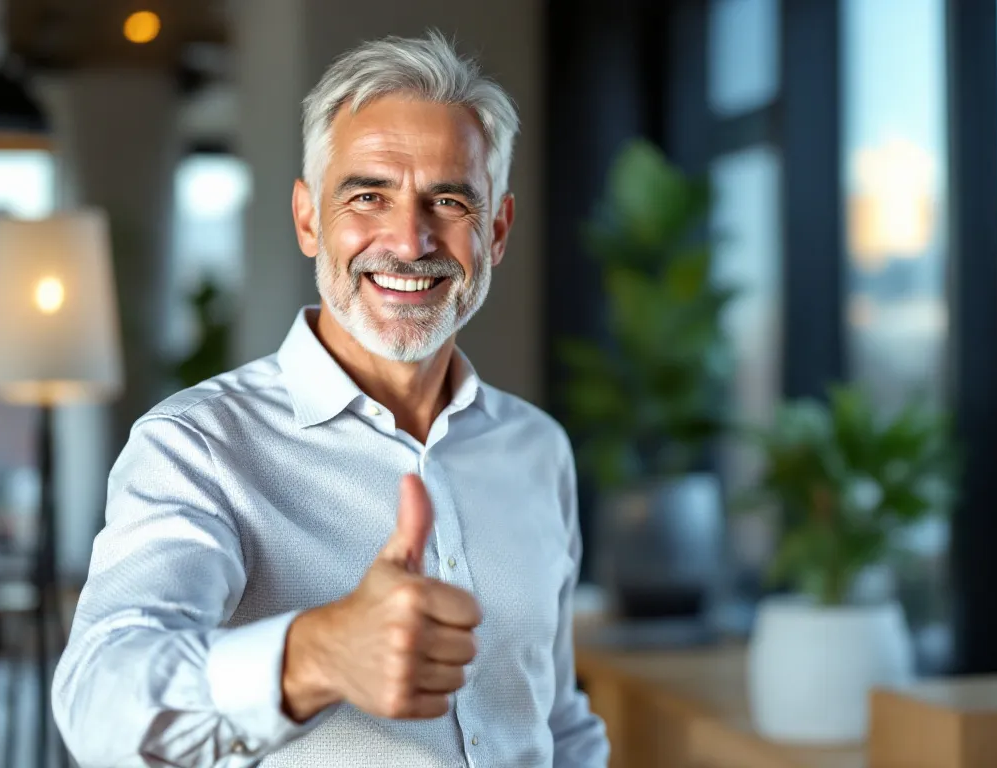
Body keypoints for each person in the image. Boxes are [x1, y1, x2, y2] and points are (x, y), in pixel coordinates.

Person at [52, 31, 609, 767]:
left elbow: (554, 714)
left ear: (497, 231)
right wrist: (314, 656)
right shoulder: (199, 446)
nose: (409, 241)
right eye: (368, 195)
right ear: (309, 218)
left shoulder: (537, 449)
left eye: (448, 200)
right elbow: (99, 703)